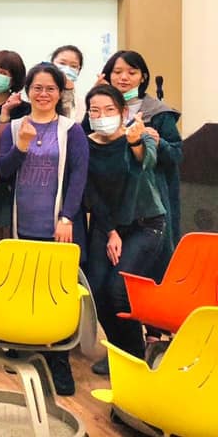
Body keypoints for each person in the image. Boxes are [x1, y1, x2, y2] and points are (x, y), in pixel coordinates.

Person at [0, 63, 89, 395]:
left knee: (57, 293)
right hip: (21, 222)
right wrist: (20, 146)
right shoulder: (14, 127)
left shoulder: (70, 130)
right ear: (27, 91)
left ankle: (59, 360)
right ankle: (24, 346)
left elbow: (78, 176)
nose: (44, 94)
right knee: (24, 288)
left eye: (50, 88)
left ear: (60, 93)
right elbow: (2, 170)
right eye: (37, 88)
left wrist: (67, 217)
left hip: (57, 226)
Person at [84, 84, 167, 369]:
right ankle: (118, 350)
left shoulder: (139, 136)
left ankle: (132, 357)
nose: (102, 116)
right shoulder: (86, 144)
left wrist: (135, 143)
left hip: (145, 224)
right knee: (96, 289)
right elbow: (92, 193)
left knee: (119, 289)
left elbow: (146, 162)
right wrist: (111, 232)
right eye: (95, 110)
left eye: (109, 110)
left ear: (122, 112)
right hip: (107, 225)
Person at [95, 50, 182, 249]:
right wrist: (97, 95)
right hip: (110, 199)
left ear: (143, 77)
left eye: (132, 72)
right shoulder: (99, 110)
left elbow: (176, 154)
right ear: (108, 75)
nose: (123, 77)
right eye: (117, 72)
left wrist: (158, 142)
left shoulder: (158, 112)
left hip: (148, 202)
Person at [0, 50, 29, 258]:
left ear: (14, 79)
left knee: (7, 253)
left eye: (3, 72)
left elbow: (1, 148)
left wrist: (5, 115)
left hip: (8, 189)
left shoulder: (24, 110)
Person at [50, 45, 86, 121]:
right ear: (52, 64)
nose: (67, 69)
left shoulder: (82, 103)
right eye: (62, 63)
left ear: (78, 71)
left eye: (73, 66)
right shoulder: (41, 93)